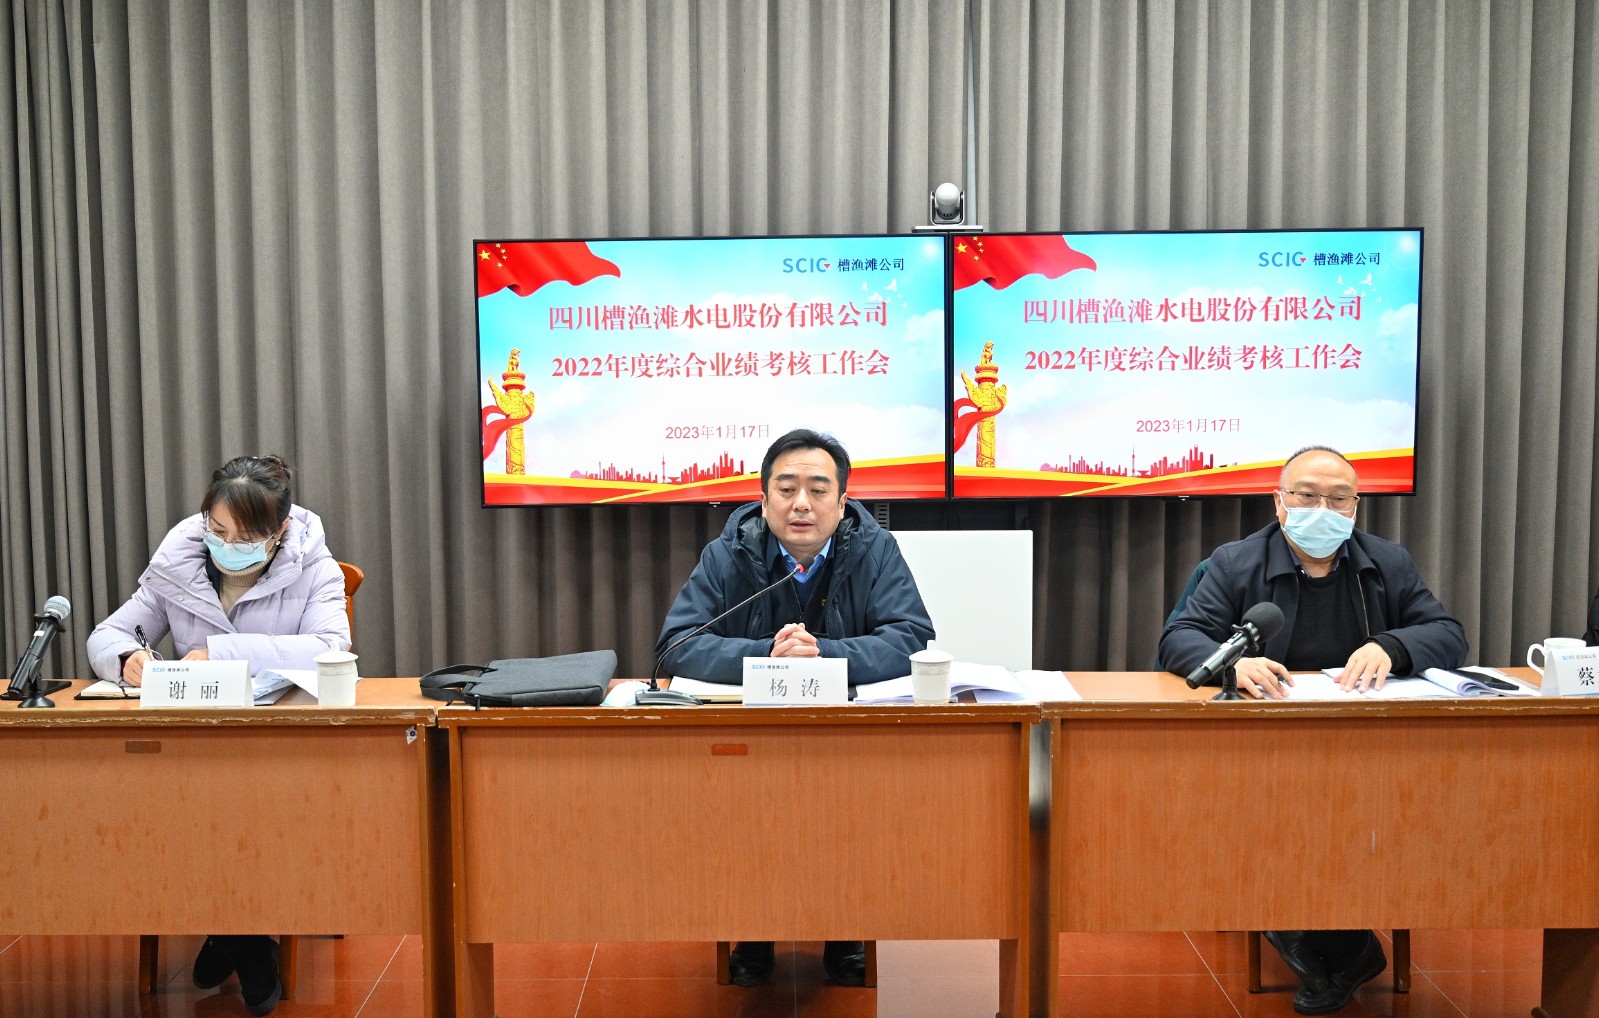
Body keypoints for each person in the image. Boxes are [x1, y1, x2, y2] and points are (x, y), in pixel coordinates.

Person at [1157, 445, 1467, 1016]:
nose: (1322, 509)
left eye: (1338, 498)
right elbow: (1180, 637)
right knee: (1290, 813)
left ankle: (1314, 939)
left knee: (1352, 809)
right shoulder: (1235, 562)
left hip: (1365, 747)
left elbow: (1447, 633)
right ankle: (1342, 950)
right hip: (1263, 748)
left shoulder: (1386, 562)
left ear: (1355, 507)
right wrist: (1233, 665)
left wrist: (1392, 646)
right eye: (1306, 495)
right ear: (1279, 502)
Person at [654, 428, 934, 988]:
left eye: (817, 490)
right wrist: (768, 654)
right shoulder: (727, 553)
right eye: (785, 489)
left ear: (842, 501)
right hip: (753, 733)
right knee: (747, 811)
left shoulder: (876, 549)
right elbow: (676, 645)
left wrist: (824, 653)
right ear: (763, 501)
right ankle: (753, 929)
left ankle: (846, 927)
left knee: (850, 813)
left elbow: (911, 637)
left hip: (847, 733)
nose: (801, 503)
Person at [87, 454, 350, 1016]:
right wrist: (127, 656)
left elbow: (330, 648)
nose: (227, 545)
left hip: (278, 749)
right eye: (217, 530)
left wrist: (223, 652)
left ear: (279, 531)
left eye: (246, 537)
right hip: (193, 748)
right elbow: (106, 635)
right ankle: (246, 943)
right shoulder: (178, 567)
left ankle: (229, 934)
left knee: (230, 801)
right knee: (165, 800)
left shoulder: (315, 568)